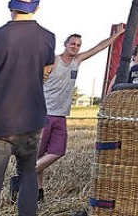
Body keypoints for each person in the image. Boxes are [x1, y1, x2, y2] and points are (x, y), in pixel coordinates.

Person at [0, 0, 55, 216]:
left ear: (11, 4)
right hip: (32, 118)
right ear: (36, 7)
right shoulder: (48, 37)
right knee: (28, 175)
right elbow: (45, 72)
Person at [31, 23, 125, 202]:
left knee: (58, 151)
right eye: (72, 43)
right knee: (39, 156)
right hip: (45, 114)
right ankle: (38, 192)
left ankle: (24, 175)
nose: (75, 46)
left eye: (77, 45)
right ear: (65, 44)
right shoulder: (53, 60)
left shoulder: (77, 61)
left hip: (61, 115)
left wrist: (117, 35)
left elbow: (98, 47)